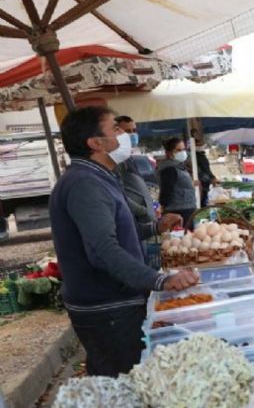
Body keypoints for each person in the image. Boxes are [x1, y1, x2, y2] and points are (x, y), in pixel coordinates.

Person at [49, 106, 199, 377]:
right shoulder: (86, 184)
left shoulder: (98, 176)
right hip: (108, 309)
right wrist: (159, 281)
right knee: (123, 381)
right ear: (95, 143)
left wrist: (154, 227)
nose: (125, 135)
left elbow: (114, 232)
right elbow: (103, 250)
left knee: (117, 380)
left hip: (114, 303)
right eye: (115, 129)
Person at [114, 116, 156, 235]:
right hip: (132, 221)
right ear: (117, 133)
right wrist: (143, 211)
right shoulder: (117, 160)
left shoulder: (128, 157)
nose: (132, 135)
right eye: (127, 131)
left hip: (141, 221)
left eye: (134, 130)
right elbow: (118, 194)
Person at [157, 137, 198, 227]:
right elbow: (166, 190)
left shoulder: (178, 166)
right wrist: (163, 207)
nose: (183, 152)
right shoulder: (169, 169)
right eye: (178, 150)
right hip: (179, 211)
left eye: (183, 149)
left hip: (186, 209)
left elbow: (178, 184)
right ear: (169, 153)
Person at [191, 131, 219, 207]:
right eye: (199, 143)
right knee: (202, 203)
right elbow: (199, 172)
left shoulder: (201, 154)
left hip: (205, 184)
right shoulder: (194, 157)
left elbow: (207, 169)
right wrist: (210, 179)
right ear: (194, 145)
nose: (202, 145)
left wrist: (213, 177)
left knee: (204, 200)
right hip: (201, 185)